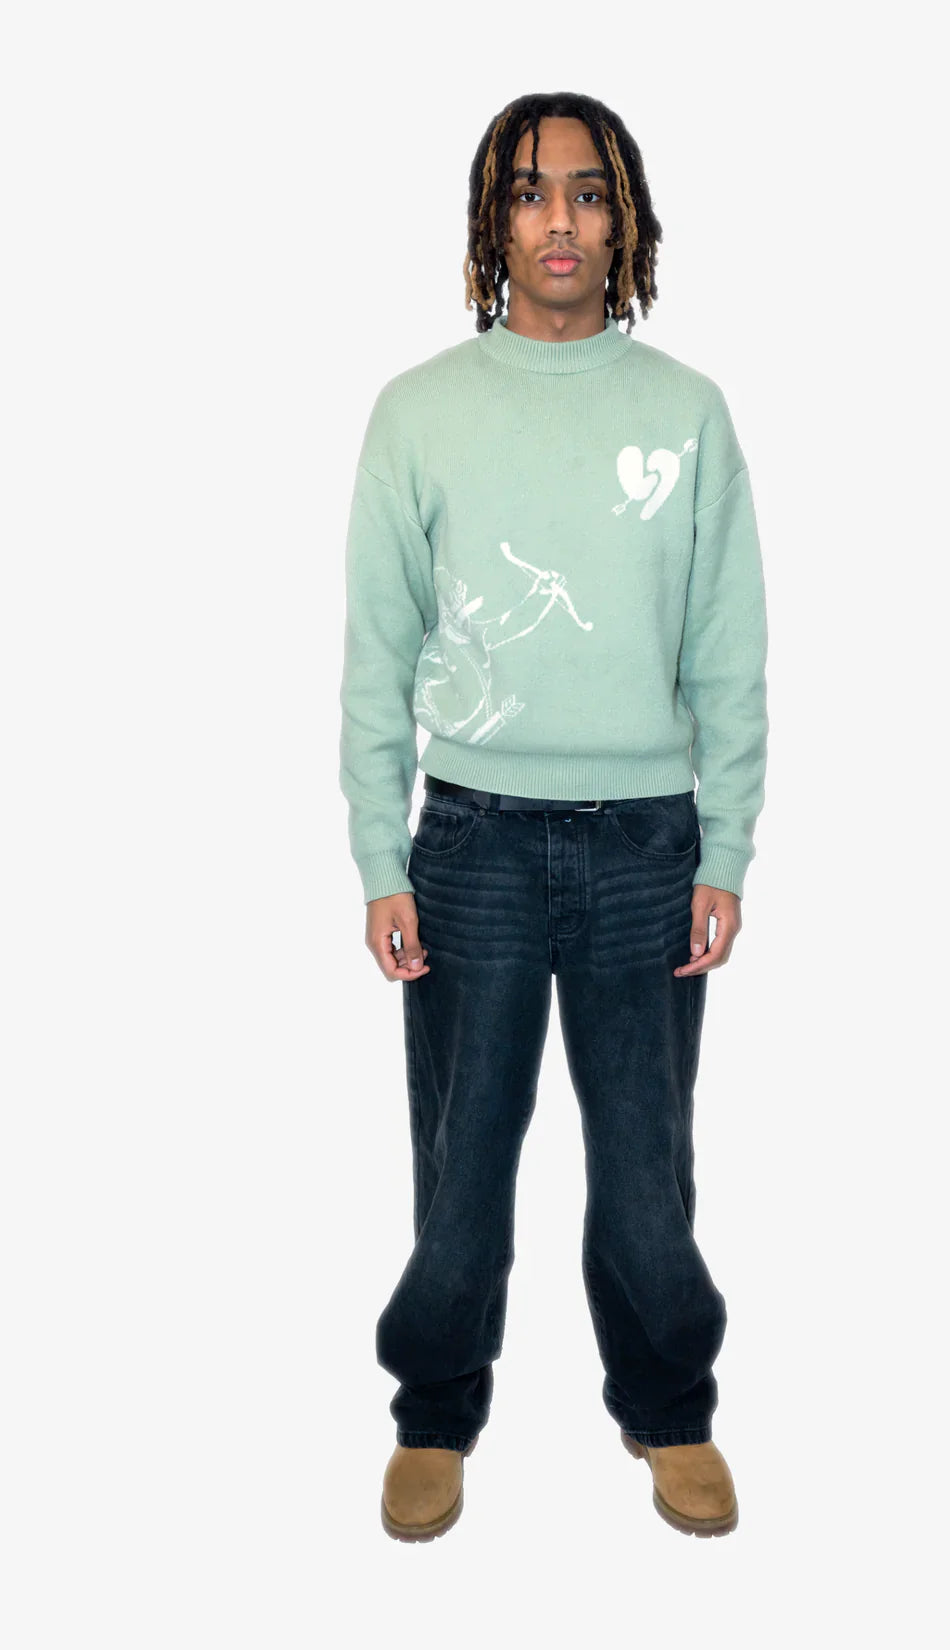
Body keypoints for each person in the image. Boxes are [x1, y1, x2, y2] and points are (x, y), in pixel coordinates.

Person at [339, 91, 769, 1542]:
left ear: (626, 217)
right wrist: (380, 856)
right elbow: (377, 653)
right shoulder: (418, 412)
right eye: (529, 193)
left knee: (646, 1166)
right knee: (463, 1158)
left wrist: (727, 844)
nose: (561, 220)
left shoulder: (688, 413)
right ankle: (434, 1409)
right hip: (472, 843)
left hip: (650, 843)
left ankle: (669, 1404)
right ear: (492, 222)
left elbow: (726, 647)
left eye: (589, 192)